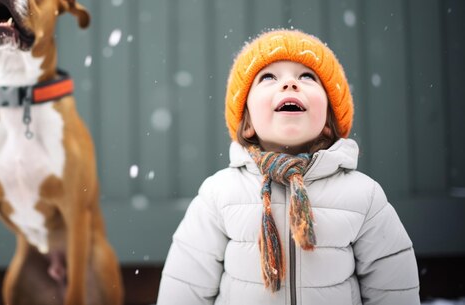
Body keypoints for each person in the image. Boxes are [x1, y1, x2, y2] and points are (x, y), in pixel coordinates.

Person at [156, 29, 420, 304]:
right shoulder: (219, 194)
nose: (290, 83)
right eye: (268, 77)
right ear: (246, 122)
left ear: (329, 119)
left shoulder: (363, 197)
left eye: (307, 76)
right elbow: (185, 288)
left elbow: (393, 289)